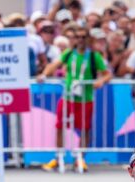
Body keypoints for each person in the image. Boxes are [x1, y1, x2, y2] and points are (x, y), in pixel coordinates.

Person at [38, 25, 112, 172]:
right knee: (59, 127)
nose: (80, 40)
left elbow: (107, 74)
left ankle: (80, 159)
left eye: (83, 37)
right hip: (67, 97)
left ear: (88, 39)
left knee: (85, 129)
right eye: (77, 37)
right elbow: (54, 64)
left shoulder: (93, 56)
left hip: (85, 99)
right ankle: (58, 158)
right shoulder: (69, 53)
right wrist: (44, 74)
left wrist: (101, 81)